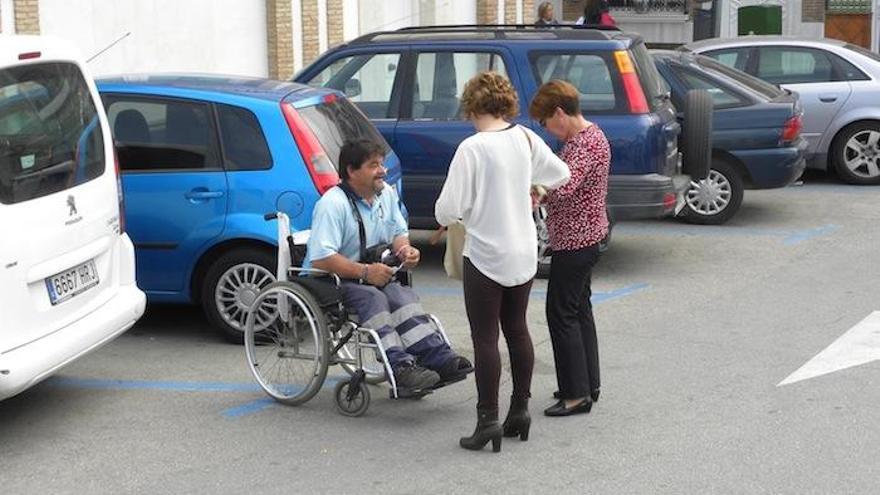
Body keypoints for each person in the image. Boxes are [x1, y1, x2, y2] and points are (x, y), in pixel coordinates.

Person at [435, 72, 570, 452]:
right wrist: (533, 186)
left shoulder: (472, 148)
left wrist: (461, 212)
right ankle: (520, 410)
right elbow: (560, 174)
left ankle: (487, 420)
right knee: (517, 329)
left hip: (486, 253)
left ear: (472, 105)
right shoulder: (526, 138)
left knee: (485, 338)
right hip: (523, 249)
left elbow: (447, 209)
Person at [304, 138, 474, 394]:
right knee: (374, 298)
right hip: (334, 279)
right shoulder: (332, 204)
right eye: (374, 165)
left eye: (381, 164)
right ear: (351, 171)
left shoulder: (386, 195)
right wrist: (364, 272)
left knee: (401, 295)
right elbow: (321, 257)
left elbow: (398, 231)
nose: (382, 170)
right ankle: (401, 367)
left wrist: (405, 249)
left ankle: (438, 357)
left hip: (374, 272)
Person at [528, 80, 610, 417]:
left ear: (559, 113)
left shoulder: (583, 145)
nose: (548, 130)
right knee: (578, 310)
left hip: (576, 241)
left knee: (560, 313)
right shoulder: (591, 136)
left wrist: (536, 189)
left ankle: (576, 394)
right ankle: (587, 382)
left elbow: (564, 186)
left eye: (546, 123)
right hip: (585, 237)